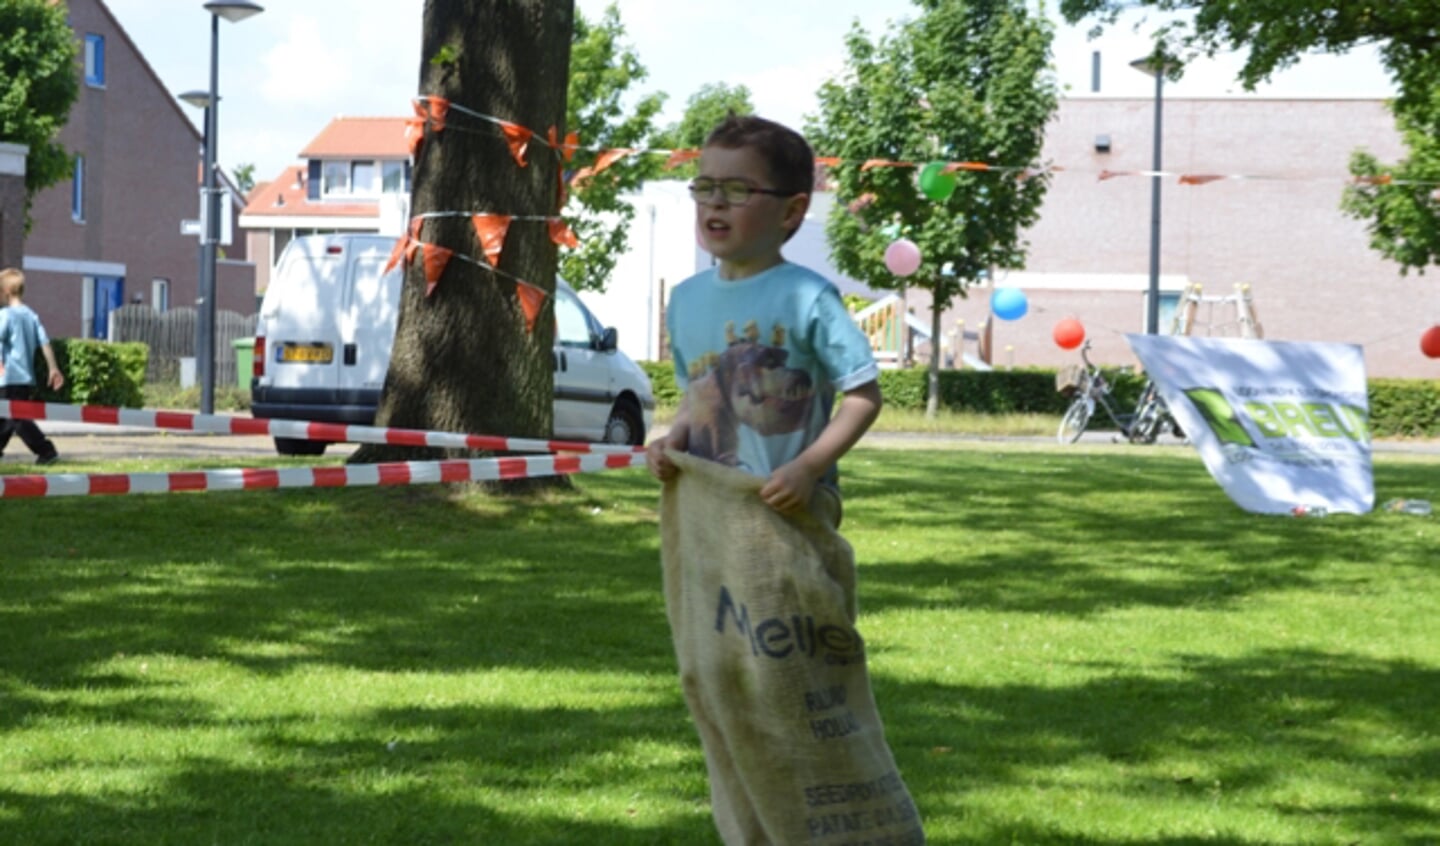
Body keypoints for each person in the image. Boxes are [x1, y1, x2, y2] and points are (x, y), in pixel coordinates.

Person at [647, 116, 923, 845]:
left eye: (737, 188)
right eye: (704, 185)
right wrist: (673, 441)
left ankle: (844, 827)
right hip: (712, 528)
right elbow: (699, 400)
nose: (715, 202)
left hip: (788, 524)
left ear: (792, 210)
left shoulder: (807, 297)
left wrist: (807, 467)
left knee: (793, 687)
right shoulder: (687, 300)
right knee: (718, 683)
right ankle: (754, 829)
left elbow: (863, 392)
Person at [0, 268, 64, 464]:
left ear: (7, 290)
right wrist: (53, 368)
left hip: (8, 377)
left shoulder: (6, 315)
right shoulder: (31, 315)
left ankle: (46, 450)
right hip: (25, 378)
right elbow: (45, 343)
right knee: (6, 417)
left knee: (16, 418)